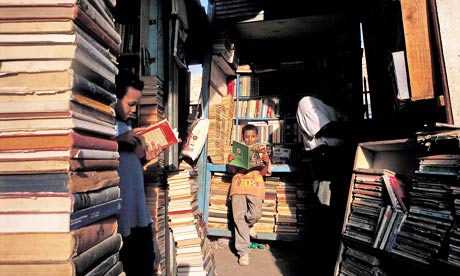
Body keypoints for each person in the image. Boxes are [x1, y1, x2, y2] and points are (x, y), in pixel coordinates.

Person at [113, 69, 162, 276]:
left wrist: (145, 158)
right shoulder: (104, 126)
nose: (133, 110)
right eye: (130, 104)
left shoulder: (126, 126)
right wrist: (116, 142)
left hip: (138, 214)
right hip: (122, 217)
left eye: (136, 105)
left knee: (147, 264)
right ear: (114, 98)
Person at [226, 124, 270, 266]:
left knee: (256, 213)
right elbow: (232, 171)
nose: (250, 139)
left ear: (257, 137)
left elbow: (264, 172)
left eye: (252, 137)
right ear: (243, 138)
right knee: (238, 217)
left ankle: (249, 226)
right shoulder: (239, 151)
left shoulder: (261, 151)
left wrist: (266, 161)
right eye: (247, 137)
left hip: (255, 187)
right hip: (238, 186)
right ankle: (243, 252)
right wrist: (231, 160)